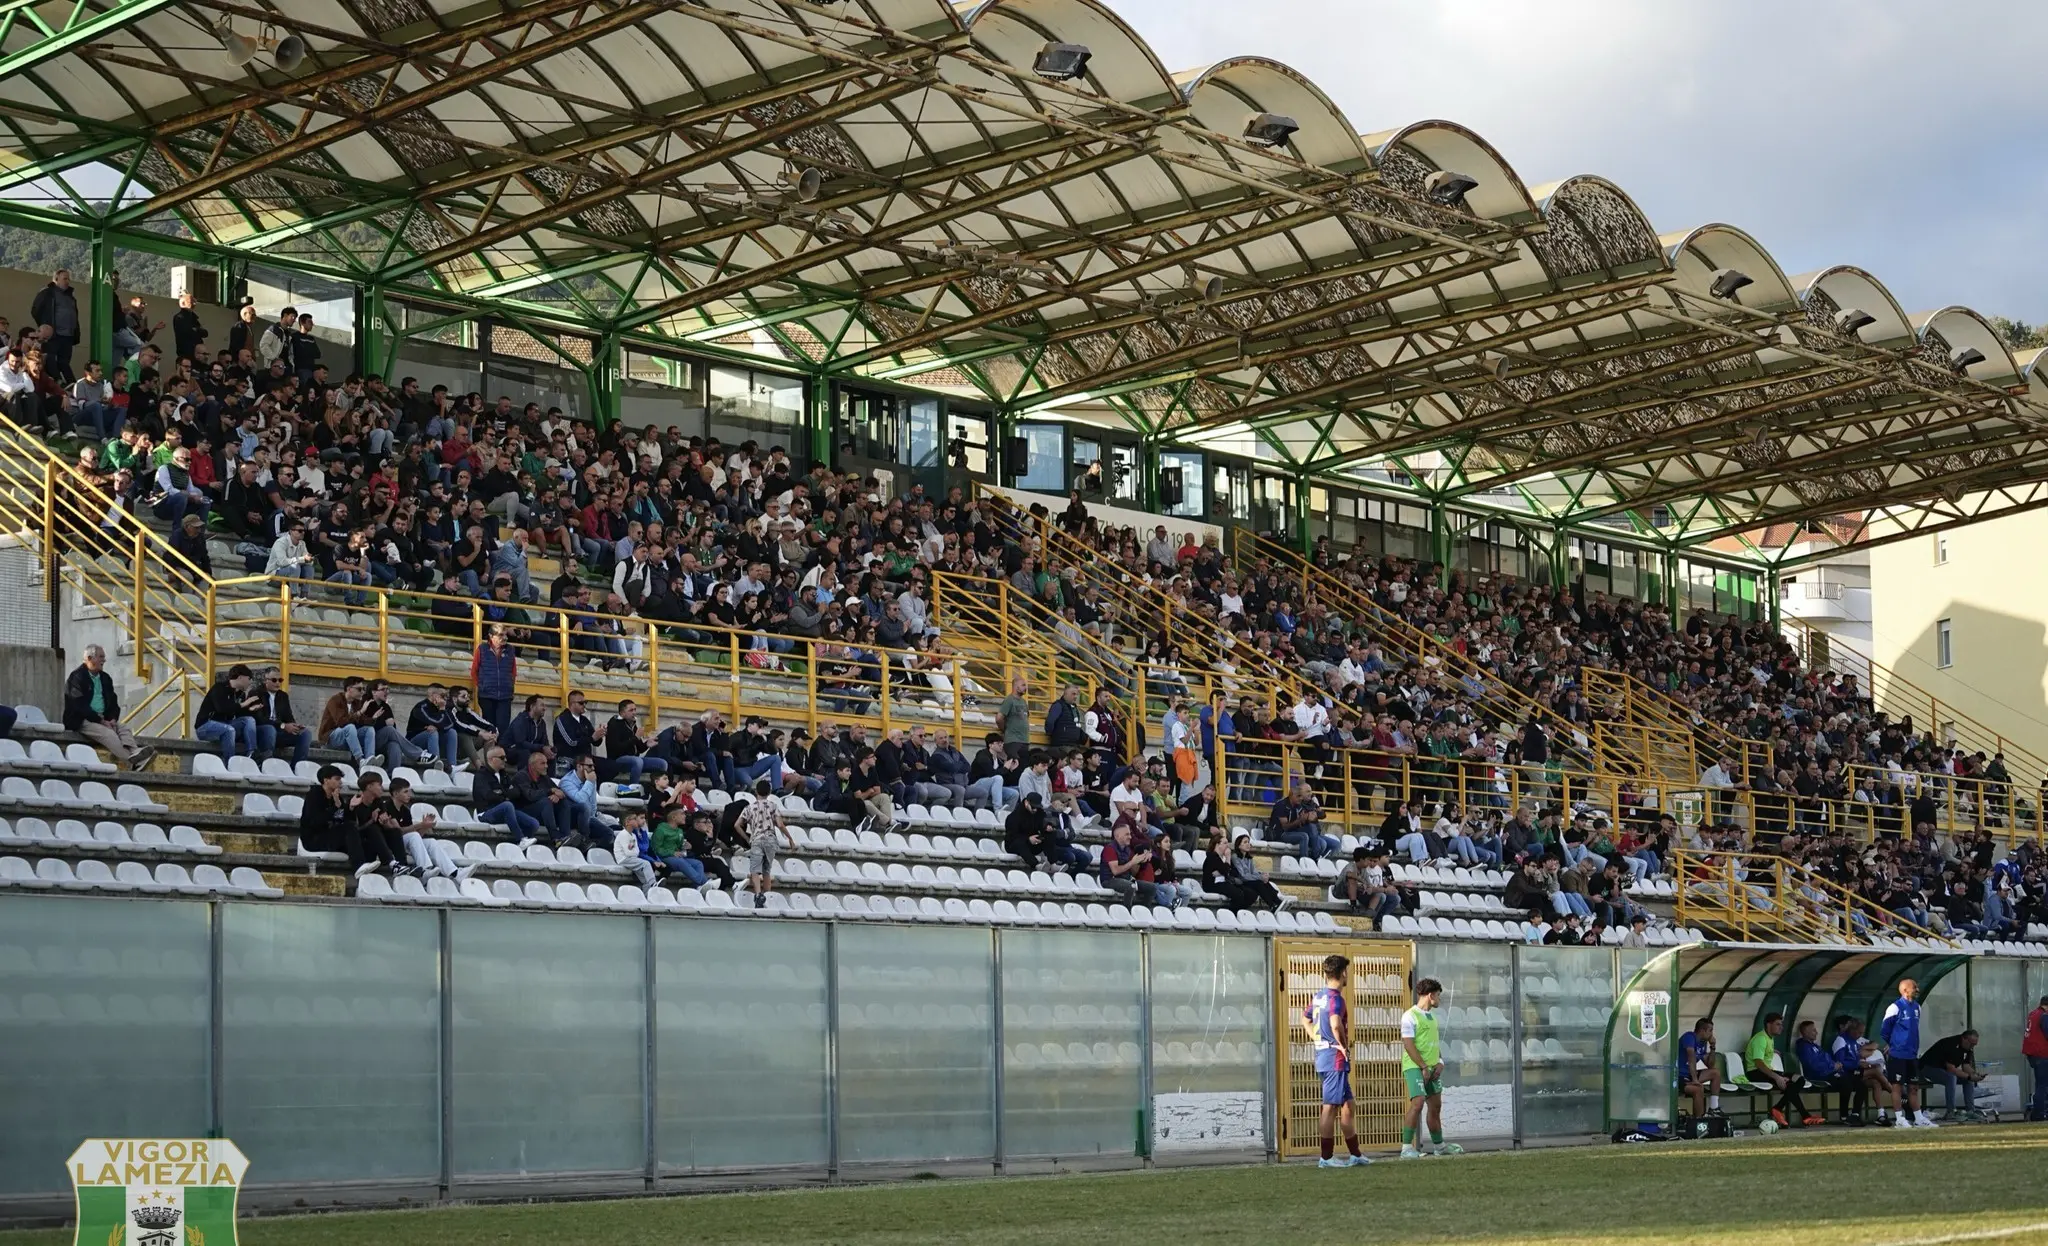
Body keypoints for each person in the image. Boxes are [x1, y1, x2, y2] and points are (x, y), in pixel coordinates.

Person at [1300, 953, 1368, 1168]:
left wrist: (1317, 1038)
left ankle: (1355, 1154)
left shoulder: (1319, 996)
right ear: (1343, 973)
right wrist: (1342, 1045)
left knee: (1348, 1104)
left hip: (1325, 1054)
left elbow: (1304, 1018)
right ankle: (1326, 1158)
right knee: (1329, 1107)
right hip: (1334, 1058)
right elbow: (1336, 1023)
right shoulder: (1336, 999)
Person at [1399, 978, 1460, 1158]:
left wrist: (1440, 1062)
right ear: (1430, 995)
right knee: (1417, 1104)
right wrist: (1423, 1066)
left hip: (1432, 1067)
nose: (1439, 999)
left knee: (1435, 1106)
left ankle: (1439, 1147)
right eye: (1438, 995)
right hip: (1415, 1067)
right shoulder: (1409, 1015)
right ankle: (1406, 1148)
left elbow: (1433, 1044)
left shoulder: (1432, 1017)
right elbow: (1408, 1045)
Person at [62, 644, 150, 770]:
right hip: (82, 720)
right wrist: (101, 721)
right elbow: (79, 705)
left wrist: (112, 719)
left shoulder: (105, 678)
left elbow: (113, 702)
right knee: (109, 734)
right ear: (90, 658)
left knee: (123, 728)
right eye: (101, 657)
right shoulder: (76, 677)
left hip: (103, 719)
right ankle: (132, 762)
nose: (104, 660)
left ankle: (136, 752)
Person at [1745, 1012, 1821, 1128]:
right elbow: (1758, 1063)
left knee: (1800, 1080)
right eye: (1778, 1024)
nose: (1781, 1027)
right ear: (1768, 1025)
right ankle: (1805, 1116)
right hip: (1755, 1073)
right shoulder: (1760, 1039)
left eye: (1781, 1024)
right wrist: (1776, 1077)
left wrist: (1772, 1051)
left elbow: (1763, 1053)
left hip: (1766, 1071)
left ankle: (1778, 1108)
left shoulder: (1769, 1038)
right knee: (1790, 1085)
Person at [1882, 978, 1937, 1128]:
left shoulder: (1917, 1007)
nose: (1917, 989)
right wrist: (1894, 1044)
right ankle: (1900, 1119)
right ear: (1905, 990)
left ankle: (1918, 1119)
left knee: (1914, 1087)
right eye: (1915, 987)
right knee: (1897, 1087)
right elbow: (1885, 1030)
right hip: (1898, 1055)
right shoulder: (1895, 1007)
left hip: (1912, 1054)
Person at [1794, 1019, 1864, 1126]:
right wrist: (1833, 1066)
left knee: (1860, 1084)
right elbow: (1813, 1065)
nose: (1816, 1032)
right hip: (1819, 1076)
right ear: (1805, 1032)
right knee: (1845, 1083)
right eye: (1813, 1030)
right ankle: (1844, 1116)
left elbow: (1826, 1059)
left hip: (1830, 1072)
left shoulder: (1815, 1046)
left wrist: (1836, 1065)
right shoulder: (1804, 1047)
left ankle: (1855, 1115)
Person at [470, 745, 541, 843]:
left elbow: (516, 792)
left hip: (504, 811)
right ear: (492, 759)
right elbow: (488, 796)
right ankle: (520, 839)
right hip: (485, 813)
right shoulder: (481, 775)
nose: (506, 760)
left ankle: (518, 845)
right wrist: (506, 794)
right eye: (502, 758)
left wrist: (501, 793)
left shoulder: (504, 775)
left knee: (534, 824)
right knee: (507, 805)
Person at [192, 663, 259, 760]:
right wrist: (243, 704)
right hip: (205, 726)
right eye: (249, 678)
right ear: (240, 677)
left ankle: (252, 754)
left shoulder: (240, 694)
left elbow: (240, 715)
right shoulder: (219, 688)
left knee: (249, 720)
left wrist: (251, 710)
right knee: (229, 730)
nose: (251, 682)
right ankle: (229, 761)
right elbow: (222, 708)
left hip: (225, 724)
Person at [737, 780, 788, 908]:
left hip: (757, 839)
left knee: (755, 870)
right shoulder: (773, 806)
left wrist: (746, 837)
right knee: (766, 870)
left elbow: (737, 825)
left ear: (756, 792)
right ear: (769, 792)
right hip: (770, 839)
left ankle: (758, 894)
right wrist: (790, 838)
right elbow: (780, 824)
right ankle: (768, 896)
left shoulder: (749, 807)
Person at [1922, 1030, 1986, 1121]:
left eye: (1974, 1045)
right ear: (1964, 1039)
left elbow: (1966, 1065)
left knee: (1968, 1080)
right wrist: (1969, 1076)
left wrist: (1974, 1074)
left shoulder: (1967, 1048)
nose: (1972, 1047)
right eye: (1971, 1044)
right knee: (1951, 1077)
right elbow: (1951, 1069)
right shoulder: (1951, 1045)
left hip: (1943, 1069)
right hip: (1928, 1068)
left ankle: (1970, 1111)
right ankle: (1951, 1111)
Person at [253, 667, 310, 765]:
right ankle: (266, 763)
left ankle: (297, 766)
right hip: (262, 732)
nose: (277, 683)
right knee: (269, 729)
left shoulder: (283, 696)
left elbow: (288, 717)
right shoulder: (256, 693)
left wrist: (294, 726)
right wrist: (283, 726)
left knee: (305, 733)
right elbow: (260, 719)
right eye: (274, 680)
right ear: (265, 680)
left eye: (280, 680)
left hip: (279, 732)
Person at [1271, 777, 1338, 859]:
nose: (1301, 798)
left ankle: (1318, 859)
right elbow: (1285, 827)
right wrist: (1301, 820)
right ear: (1291, 795)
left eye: (1301, 796)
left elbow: (1321, 815)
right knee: (1305, 835)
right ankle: (1306, 860)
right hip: (1281, 834)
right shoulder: (1281, 805)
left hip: (1298, 831)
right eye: (1298, 796)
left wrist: (1311, 817)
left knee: (1313, 828)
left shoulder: (1299, 804)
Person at [471, 625, 517, 736]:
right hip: (486, 696)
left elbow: (513, 671)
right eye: (501, 635)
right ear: (491, 636)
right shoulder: (482, 649)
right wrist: (482, 686)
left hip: (505, 696)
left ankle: (500, 753)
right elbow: (474, 671)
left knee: (503, 730)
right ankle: (489, 753)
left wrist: (510, 686)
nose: (505, 638)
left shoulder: (510, 649)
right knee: (489, 730)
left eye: (506, 635)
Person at [1676, 1018, 1720, 1123]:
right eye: (1710, 1030)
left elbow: (1710, 1064)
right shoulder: (1689, 1037)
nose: (1711, 1034)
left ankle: (1714, 1108)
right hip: (1679, 1076)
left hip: (1690, 1074)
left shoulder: (1703, 1043)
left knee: (1715, 1073)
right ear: (1702, 1031)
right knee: (1698, 1089)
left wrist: (1713, 1047)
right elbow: (1691, 1058)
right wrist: (1695, 1080)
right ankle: (1699, 1122)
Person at [2024, 994, 2048, 1122]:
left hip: (2032, 1054)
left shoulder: (2033, 1014)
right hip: (2042, 1053)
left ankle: (2038, 1113)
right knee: (2043, 1086)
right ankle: (2039, 1114)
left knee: (2041, 1084)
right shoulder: (2044, 1016)